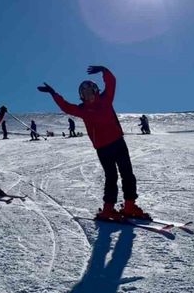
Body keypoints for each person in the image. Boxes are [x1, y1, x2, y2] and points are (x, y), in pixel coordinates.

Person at [38, 65, 150, 220]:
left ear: (96, 91)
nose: (88, 95)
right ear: (81, 96)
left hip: (118, 142)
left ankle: (129, 206)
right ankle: (108, 209)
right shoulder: (82, 109)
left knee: (127, 174)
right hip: (103, 148)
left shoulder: (106, 99)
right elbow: (65, 106)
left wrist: (104, 70)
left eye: (90, 91)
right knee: (111, 177)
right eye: (84, 93)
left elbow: (112, 82)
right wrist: (53, 93)